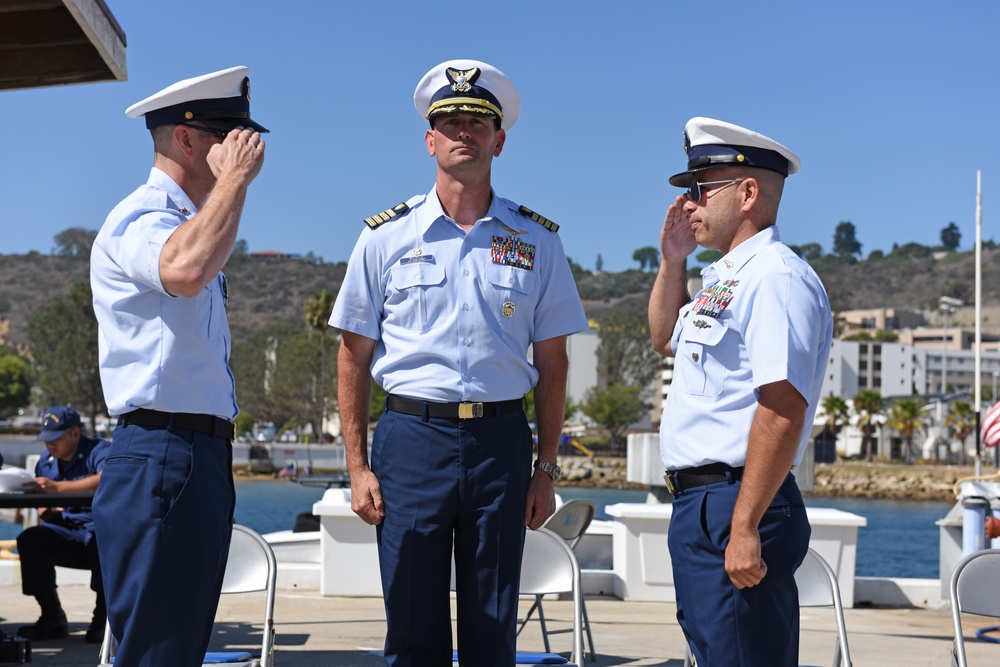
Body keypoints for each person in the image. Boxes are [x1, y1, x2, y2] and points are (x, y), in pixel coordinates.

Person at [330, 59, 588, 666]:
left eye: (478, 121)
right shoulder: (384, 238)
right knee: (413, 625)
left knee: (492, 624)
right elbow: (353, 355)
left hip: (501, 442)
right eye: (449, 122)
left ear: (500, 139)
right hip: (411, 439)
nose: (463, 132)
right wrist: (357, 466)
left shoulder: (537, 241)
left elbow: (554, 364)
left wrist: (544, 468)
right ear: (429, 140)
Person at [89, 66, 266, 666]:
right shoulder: (140, 218)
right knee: (157, 653)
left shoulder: (186, 222)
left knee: (177, 649)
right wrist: (235, 183)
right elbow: (185, 271)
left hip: (195, 455)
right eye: (228, 136)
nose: (243, 149)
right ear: (186, 140)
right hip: (162, 451)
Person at [648, 117, 833, 666]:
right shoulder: (727, 280)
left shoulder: (775, 277)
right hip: (705, 505)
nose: (690, 204)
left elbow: (782, 406)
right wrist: (672, 260)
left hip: (736, 500)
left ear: (748, 192)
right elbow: (664, 339)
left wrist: (745, 524)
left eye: (702, 189)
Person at [15, 406, 109, 643]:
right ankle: (52, 617)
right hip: (68, 533)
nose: (50, 445)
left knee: (104, 540)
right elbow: (43, 503)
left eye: (56, 439)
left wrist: (58, 489)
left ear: (75, 433)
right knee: (30, 538)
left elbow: (107, 476)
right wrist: (45, 510)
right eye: (46, 440)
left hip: (98, 532)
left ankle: (103, 619)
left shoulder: (98, 450)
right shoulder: (46, 462)